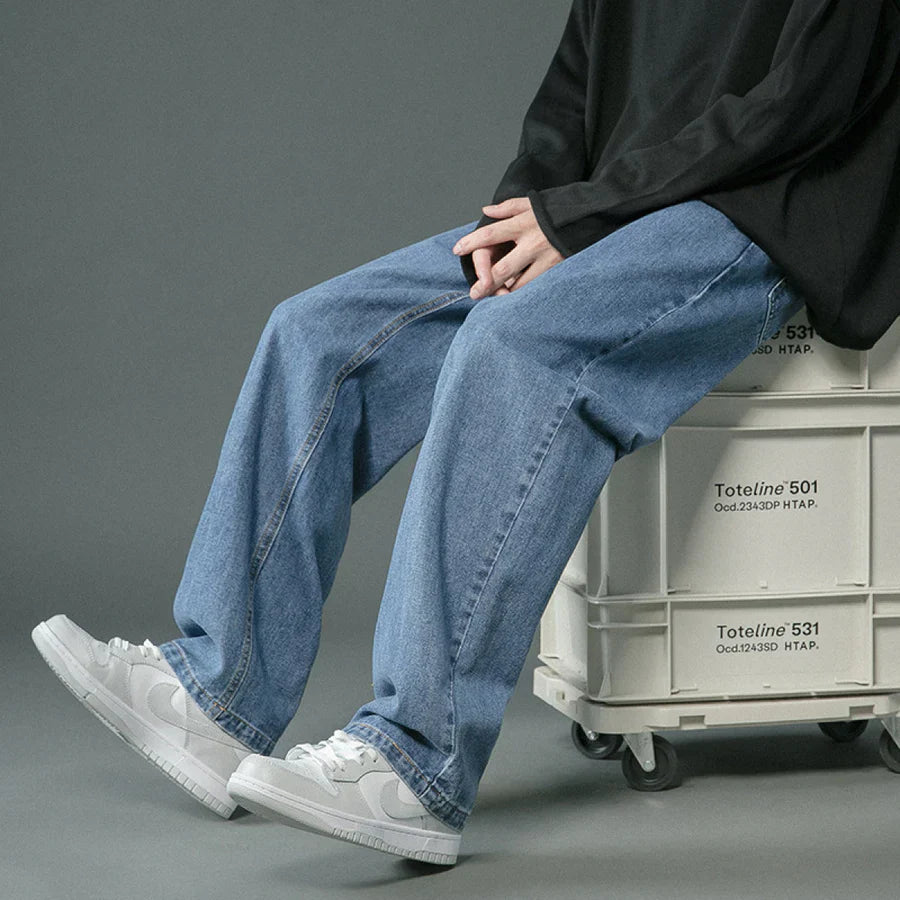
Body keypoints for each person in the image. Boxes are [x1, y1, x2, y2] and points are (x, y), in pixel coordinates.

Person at [31, 0, 899, 867]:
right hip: (621, 208)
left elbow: (804, 104)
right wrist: (522, 209)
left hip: (765, 210)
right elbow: (572, 92)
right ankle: (216, 694)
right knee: (318, 331)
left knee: (511, 347)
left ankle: (417, 761)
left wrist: (583, 215)